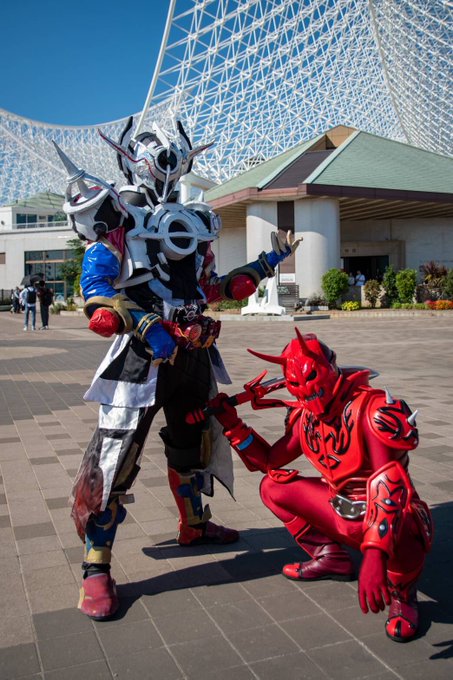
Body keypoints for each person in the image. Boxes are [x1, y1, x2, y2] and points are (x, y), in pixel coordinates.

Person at [54, 118, 300, 621]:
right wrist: (139, 321)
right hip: (140, 357)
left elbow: (207, 288)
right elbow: (97, 289)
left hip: (192, 354)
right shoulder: (116, 219)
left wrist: (264, 264)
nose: (166, 166)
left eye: (174, 157)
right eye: (157, 156)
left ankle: (194, 524)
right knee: (116, 456)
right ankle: (96, 566)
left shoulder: (195, 221)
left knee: (194, 442)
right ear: (132, 158)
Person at [210, 330, 433, 642]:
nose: (307, 392)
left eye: (312, 378)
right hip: (339, 507)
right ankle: (330, 557)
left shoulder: (373, 409)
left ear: (331, 368)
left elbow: (390, 482)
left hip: (384, 516)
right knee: (273, 487)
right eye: (297, 384)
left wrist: (374, 554)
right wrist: (233, 424)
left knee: (407, 519)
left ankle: (404, 596)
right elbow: (270, 461)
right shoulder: (306, 417)